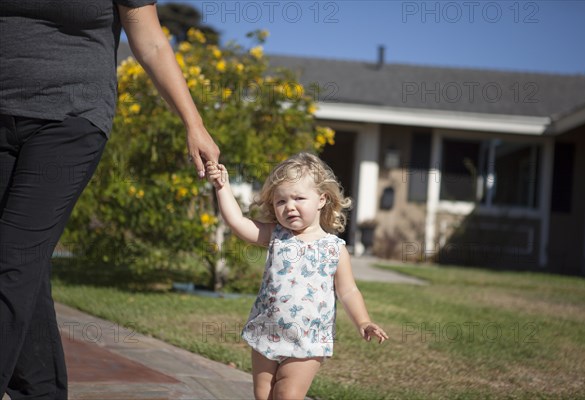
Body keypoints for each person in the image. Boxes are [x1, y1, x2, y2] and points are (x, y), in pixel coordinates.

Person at [0, 2, 219, 398]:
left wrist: (194, 123)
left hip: (71, 117)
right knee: (24, 267)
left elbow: (150, 42)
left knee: (10, 260)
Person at [207, 153, 388, 400]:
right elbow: (237, 222)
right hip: (267, 332)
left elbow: (348, 291)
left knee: (287, 395)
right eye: (281, 201)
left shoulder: (334, 248)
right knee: (264, 396)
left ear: (321, 199)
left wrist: (364, 321)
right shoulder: (276, 235)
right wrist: (222, 186)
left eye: (298, 198)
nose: (289, 206)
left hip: (308, 340)